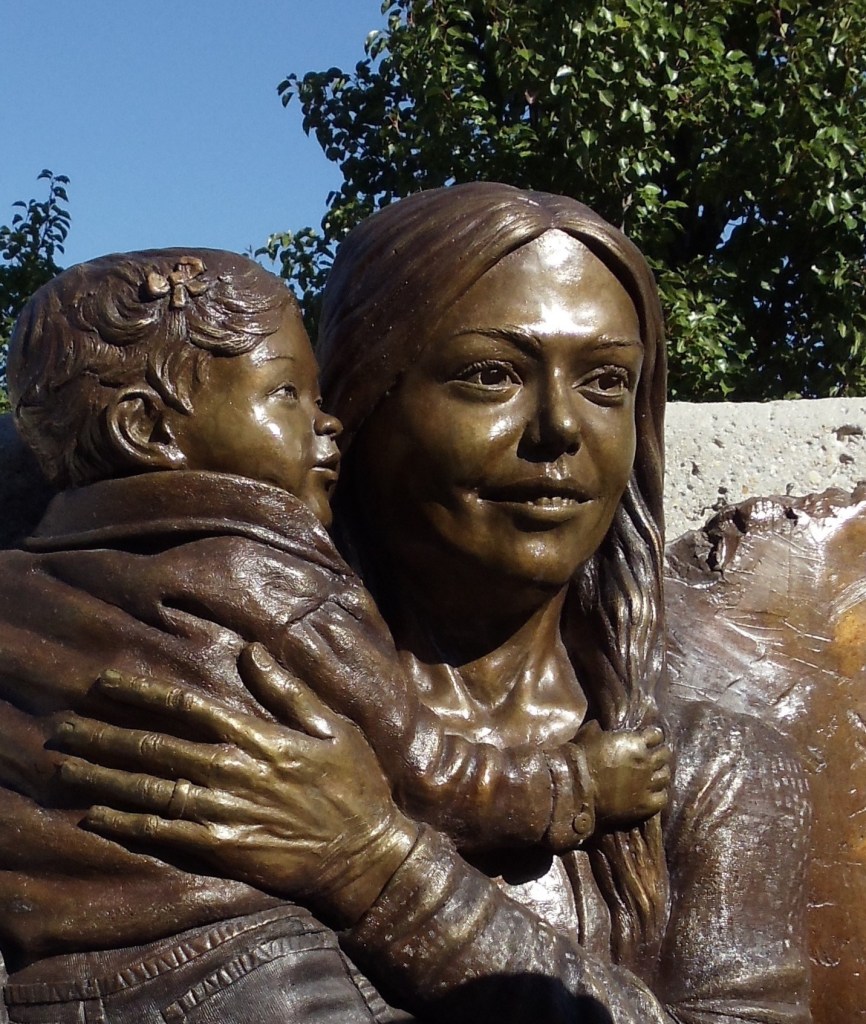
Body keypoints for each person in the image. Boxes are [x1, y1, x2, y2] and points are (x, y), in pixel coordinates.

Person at [26, 186, 811, 1022]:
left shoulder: (709, 767)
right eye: (490, 376)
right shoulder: (202, 692)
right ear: (358, 404)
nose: (560, 428)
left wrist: (376, 864)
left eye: (606, 381)